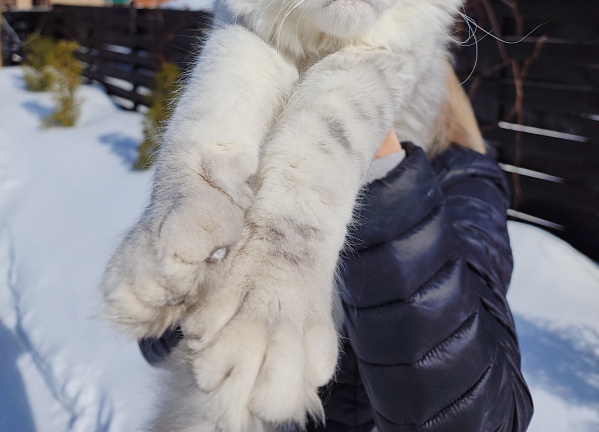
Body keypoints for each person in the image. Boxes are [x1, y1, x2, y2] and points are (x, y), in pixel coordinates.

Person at [140, 81, 533, 432]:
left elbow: (483, 416)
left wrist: (382, 178)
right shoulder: (261, 148)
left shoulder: (464, 180)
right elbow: (153, 334)